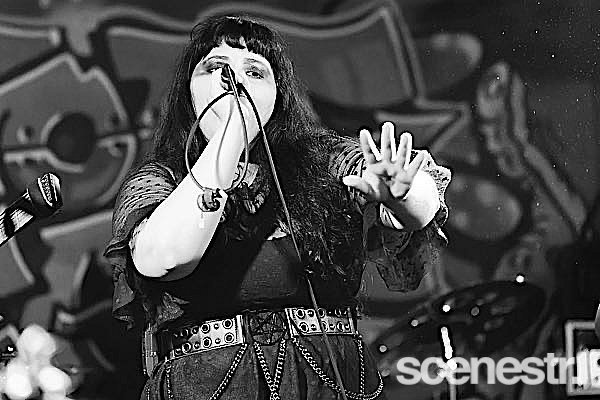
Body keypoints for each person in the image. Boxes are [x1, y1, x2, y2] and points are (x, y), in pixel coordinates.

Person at [104, 15, 450, 400]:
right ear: (189, 90)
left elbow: (420, 199)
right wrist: (233, 131)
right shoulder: (159, 179)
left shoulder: (322, 161)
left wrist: (402, 194)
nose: (234, 80)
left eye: (254, 72)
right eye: (216, 67)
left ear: (276, 96)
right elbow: (164, 258)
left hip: (327, 383)